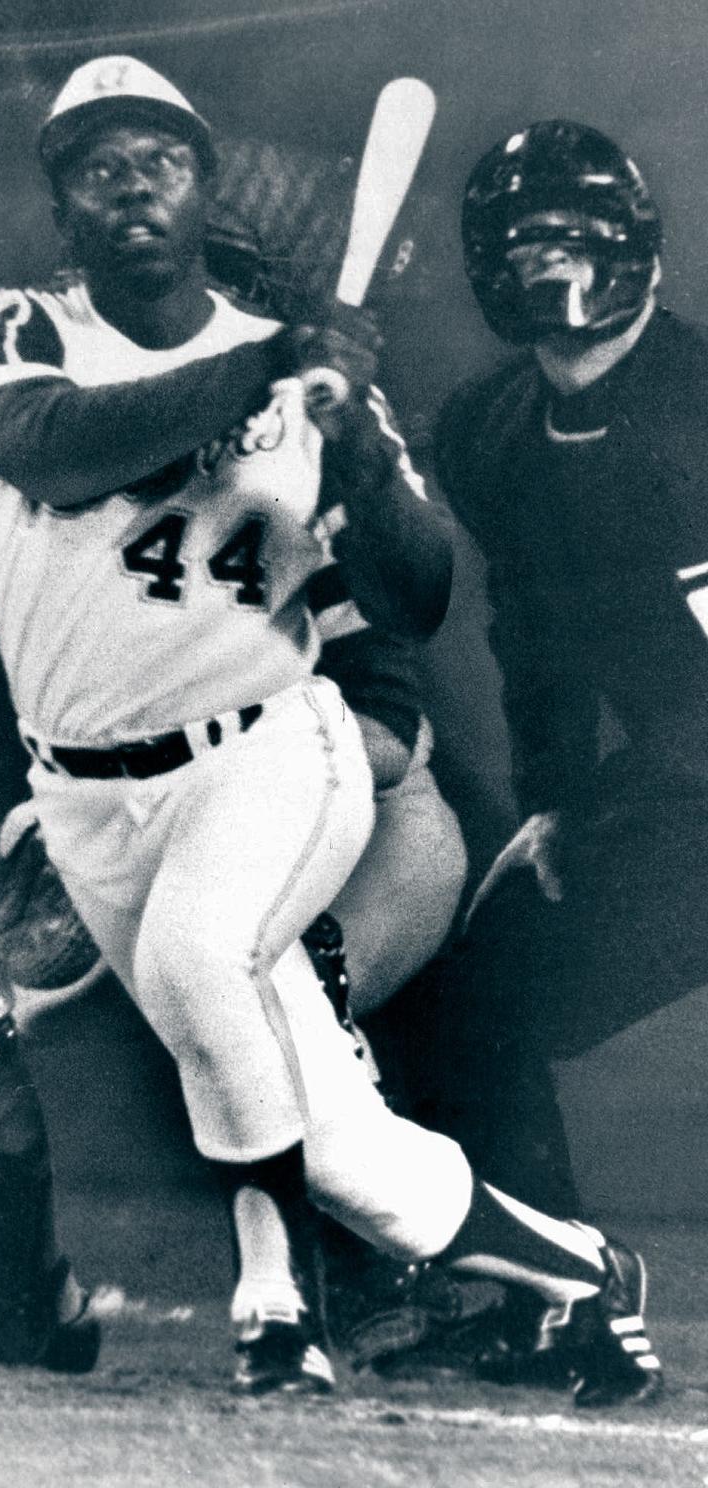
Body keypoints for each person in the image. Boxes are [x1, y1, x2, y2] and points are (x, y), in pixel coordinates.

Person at [0, 61, 663, 1410]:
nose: (200, 316)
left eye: (229, 299)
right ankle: (560, 1268)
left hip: (346, 804)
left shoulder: (293, 450)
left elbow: (390, 704)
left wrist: (353, 449)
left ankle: (292, 1309)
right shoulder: (37, 391)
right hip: (112, 809)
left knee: (239, 975)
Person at [377, 118, 708, 1380]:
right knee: (475, 997)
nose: (553, 266)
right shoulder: (488, 429)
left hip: (692, 785)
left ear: (639, 256)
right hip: (675, 787)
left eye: (578, 238)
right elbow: (533, 628)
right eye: (527, 243)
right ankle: (558, 1287)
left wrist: (630, 807)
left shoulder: (694, 425)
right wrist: (565, 802)